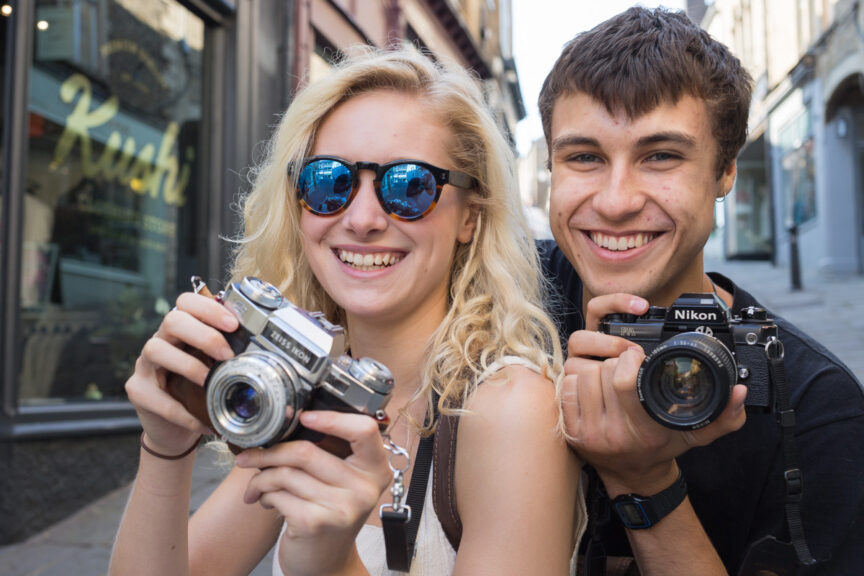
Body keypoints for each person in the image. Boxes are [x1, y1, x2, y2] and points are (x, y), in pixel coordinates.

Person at [110, 47, 584, 576]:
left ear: (469, 217)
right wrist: (166, 445)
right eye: (328, 183)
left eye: (409, 186)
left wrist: (333, 564)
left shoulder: (510, 409)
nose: (361, 219)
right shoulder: (306, 390)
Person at [536, 7, 864, 575]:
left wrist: (643, 480)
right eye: (584, 157)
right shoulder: (504, 302)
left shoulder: (815, 407)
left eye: (661, 155)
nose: (616, 201)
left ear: (725, 170)